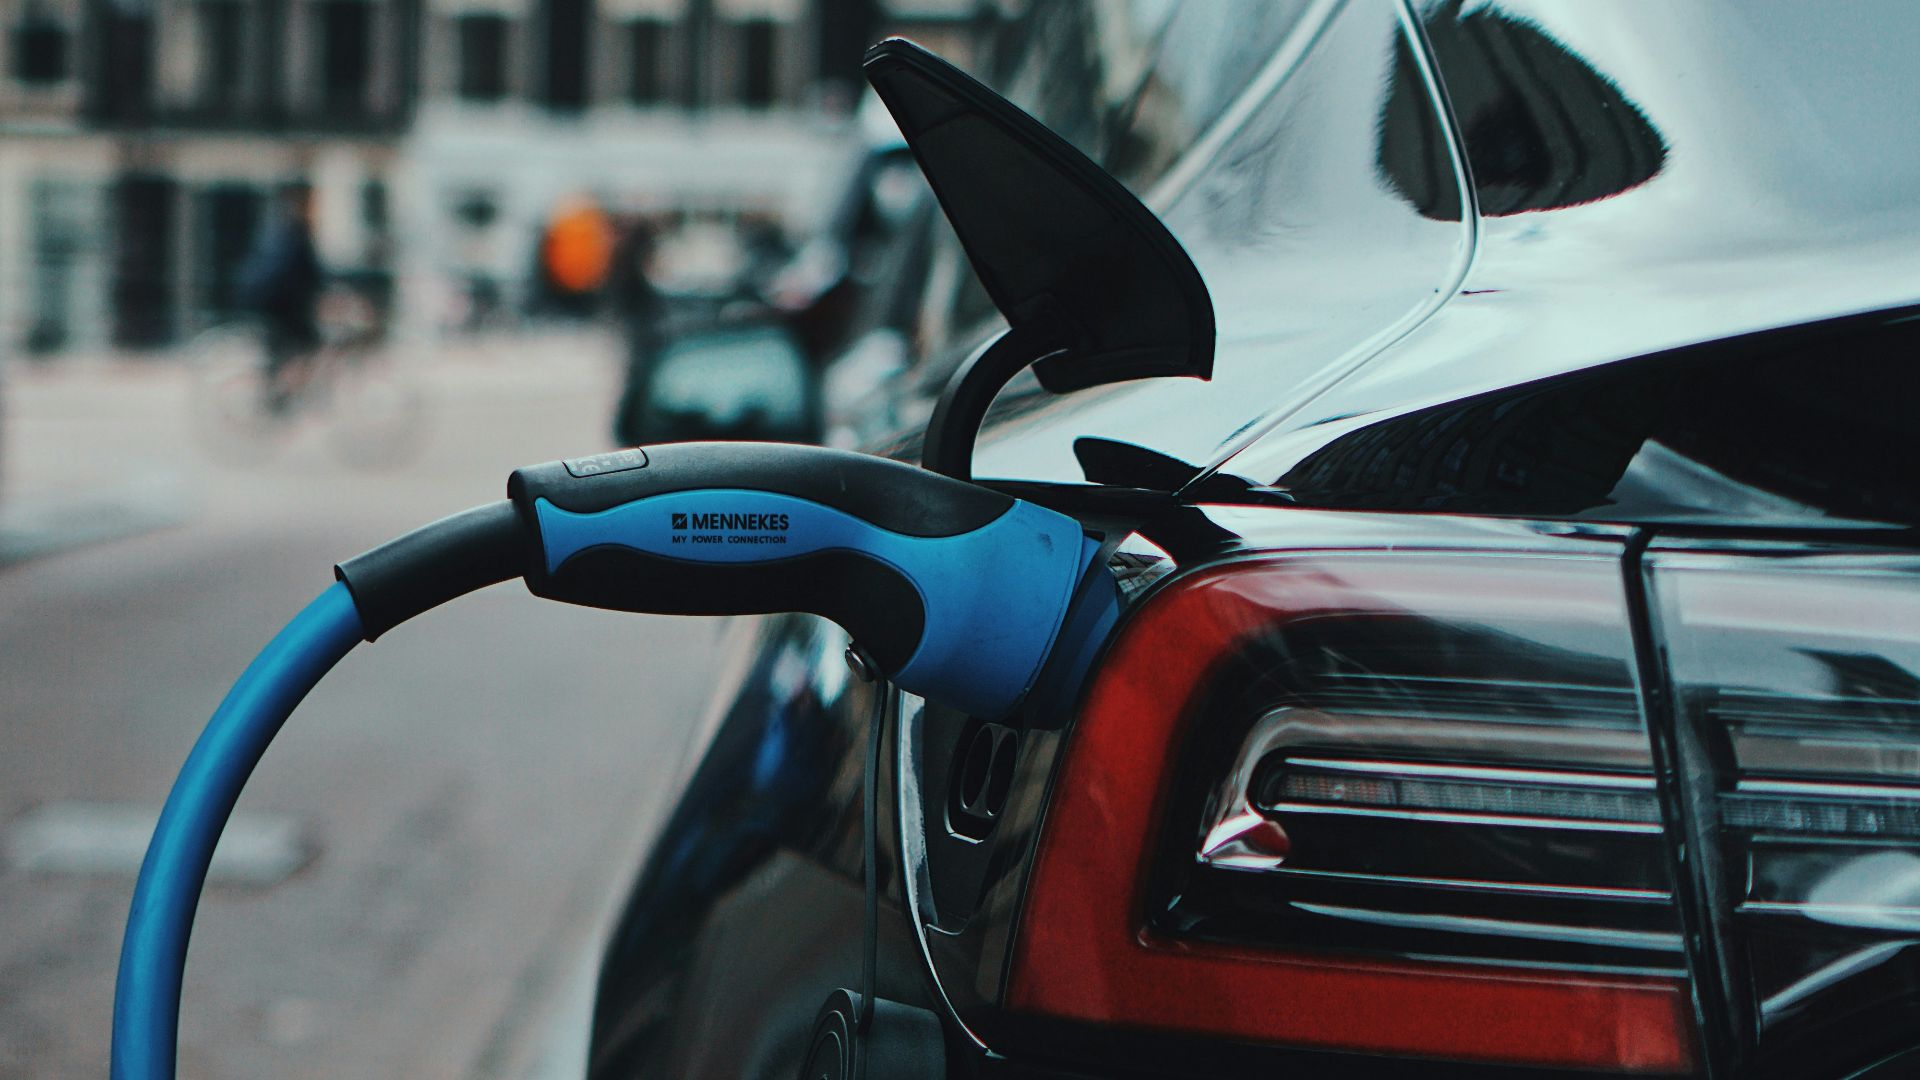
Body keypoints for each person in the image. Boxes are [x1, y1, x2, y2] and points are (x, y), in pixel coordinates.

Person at [237, 183, 323, 413]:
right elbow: (310, 274)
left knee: (284, 351)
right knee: (309, 344)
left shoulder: (282, 230)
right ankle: (281, 394)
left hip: (274, 304)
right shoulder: (297, 233)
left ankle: (279, 393)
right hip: (282, 306)